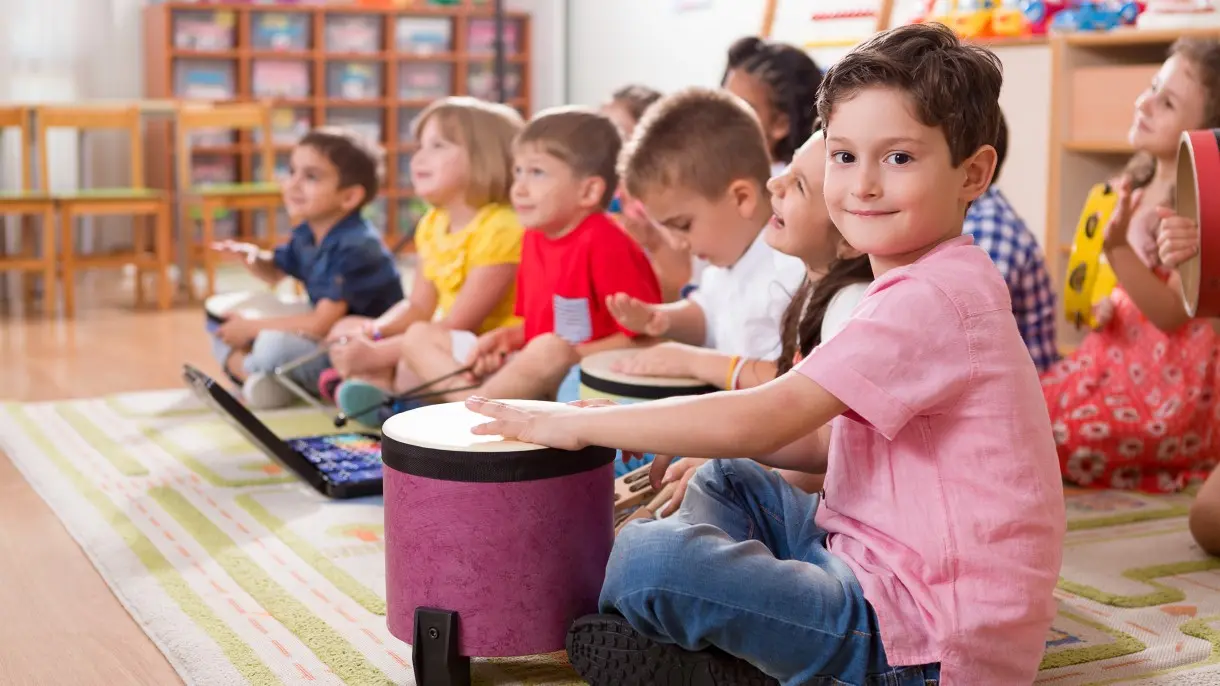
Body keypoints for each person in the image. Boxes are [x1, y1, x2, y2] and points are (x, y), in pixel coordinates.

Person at [465, 24, 1064, 686]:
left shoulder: (932, 298)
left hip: (921, 639)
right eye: (843, 157)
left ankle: (730, 656)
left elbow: (768, 415)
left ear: (971, 173)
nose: (862, 185)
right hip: (862, 554)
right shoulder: (921, 279)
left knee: (650, 562)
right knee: (723, 477)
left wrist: (575, 421)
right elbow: (821, 444)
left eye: (898, 159)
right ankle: (731, 634)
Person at [370, 107, 662, 423]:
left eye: (536, 173)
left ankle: (471, 412)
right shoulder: (534, 237)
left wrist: (566, 355)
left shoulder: (606, 241)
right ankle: (476, 406)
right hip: (525, 368)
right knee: (418, 335)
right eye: (517, 172)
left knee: (550, 347)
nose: (519, 188)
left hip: (575, 376)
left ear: (588, 190)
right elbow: (538, 324)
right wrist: (506, 339)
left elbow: (644, 337)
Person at [653, 127, 873, 511]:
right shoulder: (814, 290)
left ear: (849, 240)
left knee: (658, 547)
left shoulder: (850, 305)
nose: (774, 182)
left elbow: (827, 455)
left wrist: (732, 461)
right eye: (786, 170)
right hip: (782, 475)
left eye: (799, 185)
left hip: (821, 514)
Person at [1041, 37, 1220, 494]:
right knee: (1024, 411)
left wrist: (1118, 246)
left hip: (1167, 387)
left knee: (1057, 440)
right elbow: (1116, 289)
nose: (1145, 103)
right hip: (1107, 361)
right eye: (1151, 87)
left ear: (1207, 132)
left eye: (1168, 102)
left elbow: (1170, 312)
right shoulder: (1126, 189)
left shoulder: (1198, 211)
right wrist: (1103, 306)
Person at [325, 97, 525, 421]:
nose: (419, 156)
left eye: (438, 145)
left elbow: (460, 324)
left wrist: (376, 353)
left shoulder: (502, 226)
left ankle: (385, 395)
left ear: (483, 158)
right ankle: (380, 395)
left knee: (409, 357)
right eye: (420, 145)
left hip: (489, 351)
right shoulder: (432, 223)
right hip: (449, 341)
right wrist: (375, 330)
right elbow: (418, 305)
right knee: (348, 327)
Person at [601, 87, 806, 384]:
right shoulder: (725, 262)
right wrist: (661, 318)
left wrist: (693, 362)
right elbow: (707, 315)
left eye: (683, 225)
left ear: (741, 198)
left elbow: (799, 385)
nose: (676, 243)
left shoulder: (791, 269)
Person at [210, 127, 402, 409]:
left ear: (348, 197)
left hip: (356, 352)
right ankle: (264, 380)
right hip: (320, 340)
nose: (294, 184)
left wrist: (251, 329)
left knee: (271, 346)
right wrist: (252, 257)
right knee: (218, 321)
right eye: (292, 172)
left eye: (311, 177)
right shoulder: (307, 233)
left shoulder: (356, 245)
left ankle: (255, 374)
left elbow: (320, 323)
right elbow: (275, 272)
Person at [964, 111, 1058, 372]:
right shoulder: (969, 219)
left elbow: (963, 336)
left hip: (1020, 398)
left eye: (905, 158)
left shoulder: (990, 230)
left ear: (973, 170)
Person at [722, 35, 822, 173]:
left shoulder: (783, 188)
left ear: (781, 124)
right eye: (724, 103)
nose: (723, 119)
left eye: (741, 109)